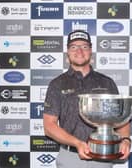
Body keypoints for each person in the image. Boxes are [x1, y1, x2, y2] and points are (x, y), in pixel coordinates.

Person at [43, 30, 131, 168]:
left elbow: (120, 119)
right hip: (70, 157)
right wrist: (77, 143)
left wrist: (125, 140)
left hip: (102, 158)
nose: (79, 51)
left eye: (84, 46)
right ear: (68, 52)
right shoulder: (57, 84)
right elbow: (49, 126)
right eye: (74, 47)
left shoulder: (107, 82)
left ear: (90, 51)